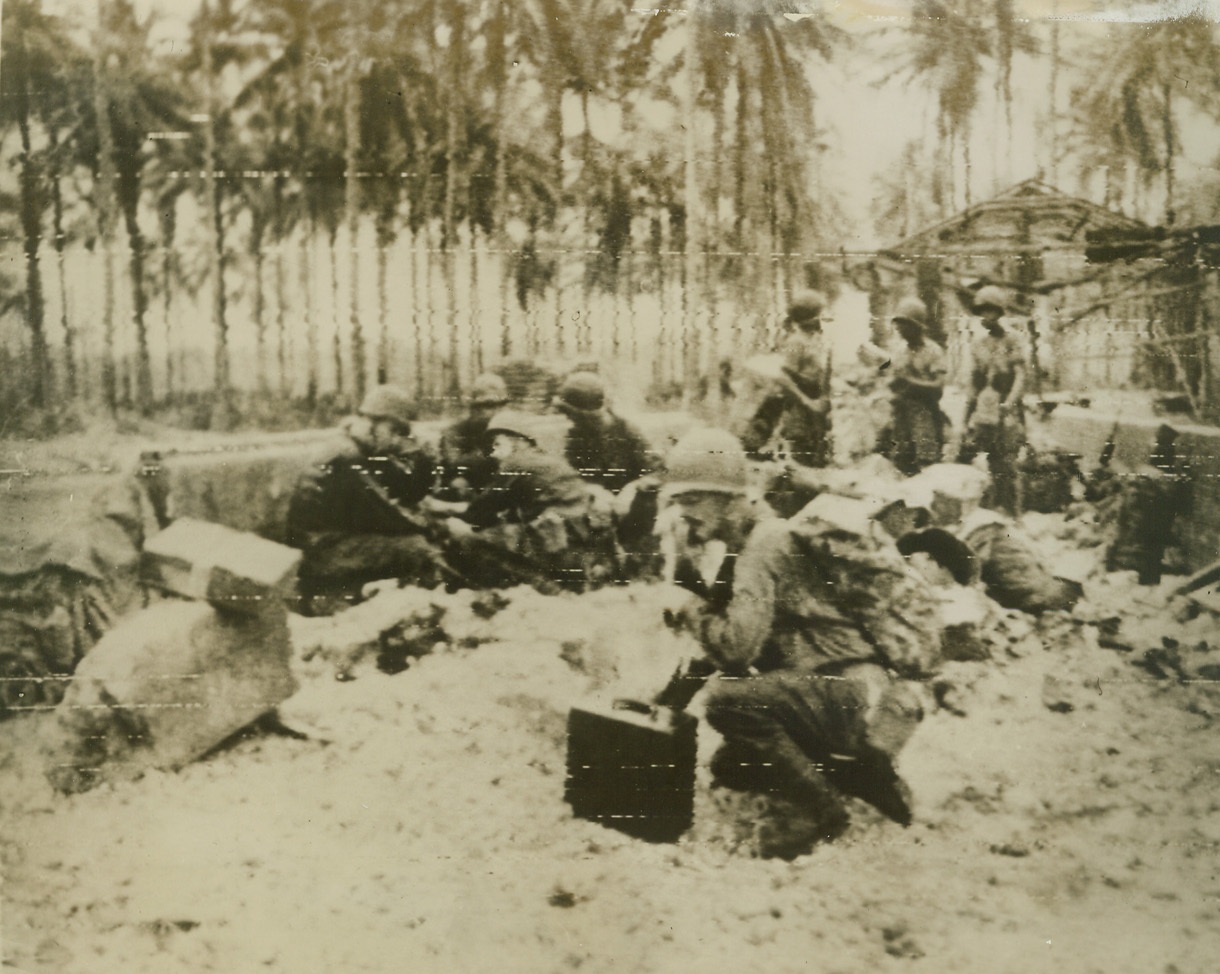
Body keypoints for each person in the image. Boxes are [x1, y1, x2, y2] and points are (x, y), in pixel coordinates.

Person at [657, 428, 933, 859]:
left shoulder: (763, 547)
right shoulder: (747, 546)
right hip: (863, 698)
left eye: (693, 499)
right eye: (678, 501)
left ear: (730, 498)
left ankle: (821, 812)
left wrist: (693, 610)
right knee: (731, 766)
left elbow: (735, 651)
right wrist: (663, 707)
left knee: (727, 702)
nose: (683, 513)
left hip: (853, 698)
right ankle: (864, 777)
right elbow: (712, 647)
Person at [286, 385, 452, 612]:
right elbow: (389, 517)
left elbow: (410, 491)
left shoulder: (366, 449)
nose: (396, 439)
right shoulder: (346, 456)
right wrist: (432, 527)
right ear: (374, 423)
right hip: (321, 553)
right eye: (394, 431)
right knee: (417, 548)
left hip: (343, 541)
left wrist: (418, 454)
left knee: (427, 537)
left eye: (401, 433)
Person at [441, 409, 617, 592]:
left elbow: (478, 511)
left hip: (562, 552)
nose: (494, 453)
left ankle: (547, 587)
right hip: (587, 553)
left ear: (517, 440)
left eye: (497, 444)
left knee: (468, 541)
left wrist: (443, 508)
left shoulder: (515, 463)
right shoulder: (550, 461)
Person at [741, 290, 834, 468]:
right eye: (821, 314)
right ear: (810, 318)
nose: (824, 318)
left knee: (817, 453)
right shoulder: (796, 342)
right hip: (796, 408)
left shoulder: (815, 341)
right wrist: (806, 401)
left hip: (813, 407)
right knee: (799, 454)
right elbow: (783, 376)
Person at [959, 285, 1027, 513]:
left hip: (1005, 407)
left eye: (991, 311)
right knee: (973, 457)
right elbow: (973, 384)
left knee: (1006, 463)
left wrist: (1010, 402)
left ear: (1000, 313)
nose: (986, 317)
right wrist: (964, 420)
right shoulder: (978, 344)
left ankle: (1012, 513)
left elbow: (1020, 375)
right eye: (982, 312)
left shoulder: (1012, 340)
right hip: (984, 409)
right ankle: (983, 509)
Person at [554, 371, 656, 494]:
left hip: (629, 503)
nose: (569, 418)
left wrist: (635, 487)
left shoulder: (628, 432)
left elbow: (654, 472)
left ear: (587, 415)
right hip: (593, 502)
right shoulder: (576, 437)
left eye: (572, 414)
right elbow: (566, 476)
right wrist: (589, 489)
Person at [881, 297, 948, 475]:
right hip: (901, 415)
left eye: (904, 324)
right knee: (899, 464)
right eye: (898, 324)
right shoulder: (899, 351)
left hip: (925, 415)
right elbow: (892, 384)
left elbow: (938, 388)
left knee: (927, 465)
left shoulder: (933, 351)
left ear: (916, 326)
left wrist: (910, 382)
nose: (900, 329)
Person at [438, 372, 510, 496]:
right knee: (459, 483)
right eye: (489, 406)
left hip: (499, 485)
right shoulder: (455, 432)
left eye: (501, 405)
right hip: (468, 485)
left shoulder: (507, 429)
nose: (497, 412)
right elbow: (455, 464)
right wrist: (488, 453)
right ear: (474, 409)